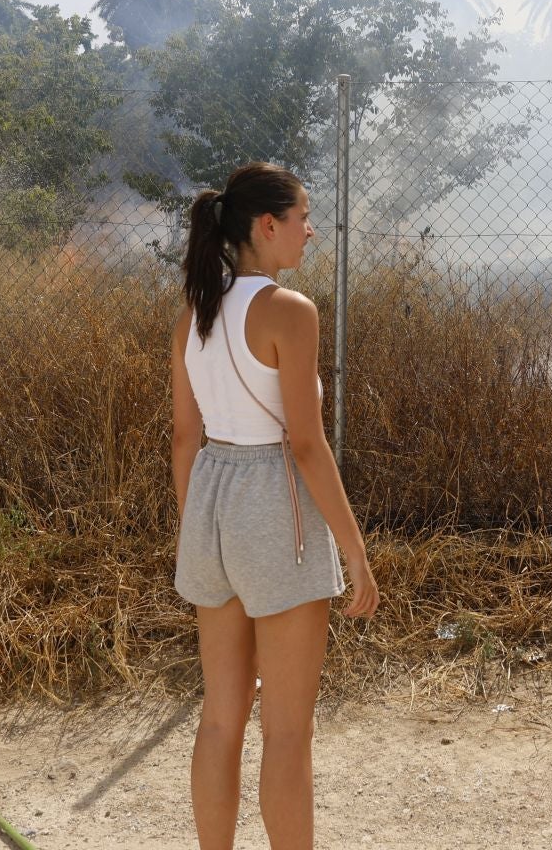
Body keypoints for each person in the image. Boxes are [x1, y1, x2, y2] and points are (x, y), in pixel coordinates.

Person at [170, 162, 380, 850]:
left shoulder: (195, 315)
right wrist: (354, 550)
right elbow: (307, 445)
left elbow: (184, 437)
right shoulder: (290, 310)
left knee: (219, 719)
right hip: (273, 505)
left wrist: (197, 534)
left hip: (209, 501)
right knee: (288, 732)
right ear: (267, 225)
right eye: (303, 218)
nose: (310, 231)